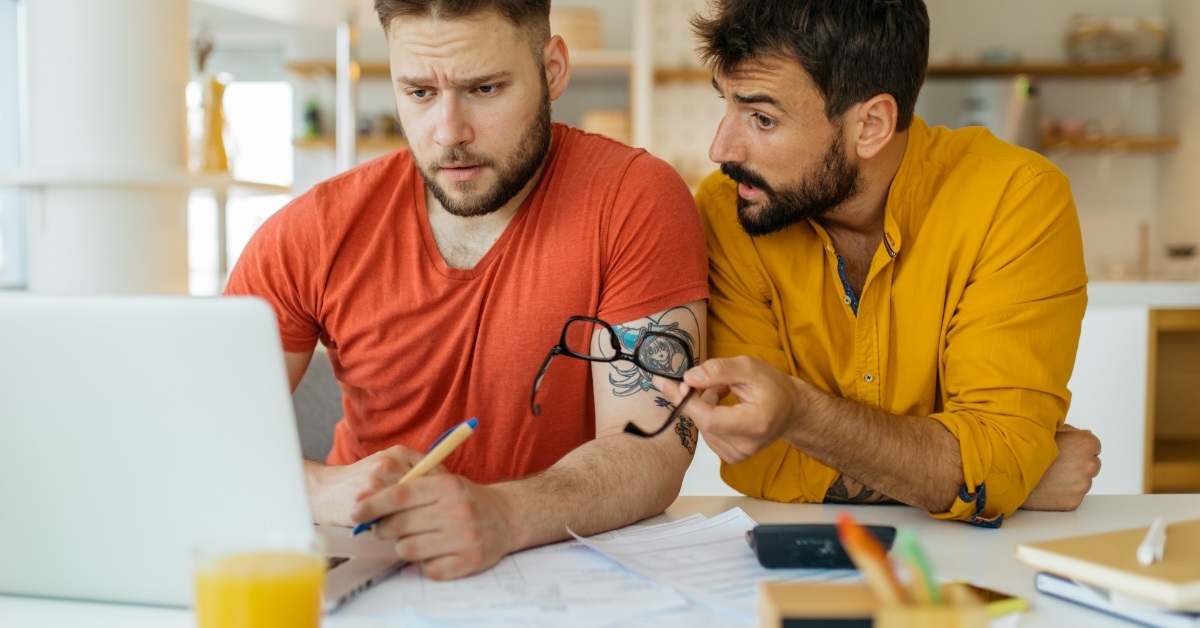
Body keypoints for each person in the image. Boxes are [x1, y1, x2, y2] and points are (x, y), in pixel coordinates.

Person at [225, 0, 708, 579]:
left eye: (484, 89)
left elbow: (652, 445)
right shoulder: (312, 232)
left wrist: (506, 513)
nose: (448, 132)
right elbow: (197, 430)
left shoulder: (635, 198)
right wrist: (320, 489)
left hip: (561, 568)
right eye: (420, 92)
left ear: (552, 70)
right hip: (366, 564)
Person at [655, 0, 1101, 526]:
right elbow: (760, 458)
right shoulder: (725, 211)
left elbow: (997, 459)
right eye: (726, 104)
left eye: (762, 119)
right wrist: (992, 479)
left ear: (871, 125)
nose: (720, 148)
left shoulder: (1016, 199)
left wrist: (800, 414)